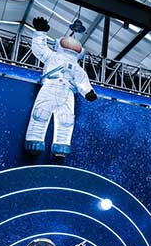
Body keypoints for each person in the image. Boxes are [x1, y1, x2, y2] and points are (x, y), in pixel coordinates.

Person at [24, 16, 98, 157]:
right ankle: (34, 140)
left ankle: (62, 145)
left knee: (66, 120)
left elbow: (82, 80)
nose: (72, 42)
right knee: (40, 114)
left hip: (68, 92)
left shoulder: (76, 67)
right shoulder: (52, 56)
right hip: (50, 86)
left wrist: (88, 92)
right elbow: (39, 49)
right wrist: (40, 32)